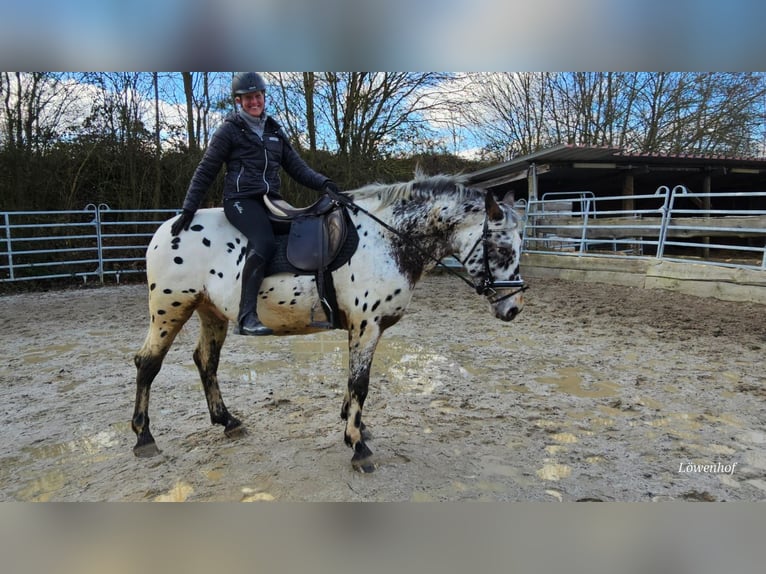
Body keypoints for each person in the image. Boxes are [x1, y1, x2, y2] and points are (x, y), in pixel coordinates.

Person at [171, 72, 340, 336]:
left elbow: (297, 167)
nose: (254, 102)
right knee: (264, 242)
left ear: (264, 97)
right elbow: (206, 170)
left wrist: (325, 183)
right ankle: (246, 316)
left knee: (302, 232)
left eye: (258, 96)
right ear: (239, 101)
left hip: (271, 200)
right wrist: (188, 208)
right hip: (240, 200)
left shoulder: (274, 130)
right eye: (248, 98)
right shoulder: (229, 131)